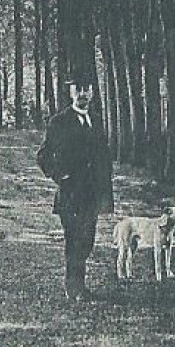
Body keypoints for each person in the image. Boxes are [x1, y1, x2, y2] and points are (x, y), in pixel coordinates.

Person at [36, 81, 114, 302]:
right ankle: (74, 288)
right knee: (74, 240)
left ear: (92, 93)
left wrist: (104, 185)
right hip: (71, 195)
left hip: (91, 195)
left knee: (87, 240)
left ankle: (80, 285)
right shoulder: (59, 122)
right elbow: (43, 155)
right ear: (70, 92)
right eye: (78, 90)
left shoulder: (96, 121)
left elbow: (102, 156)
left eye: (86, 90)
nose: (82, 94)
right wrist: (59, 175)